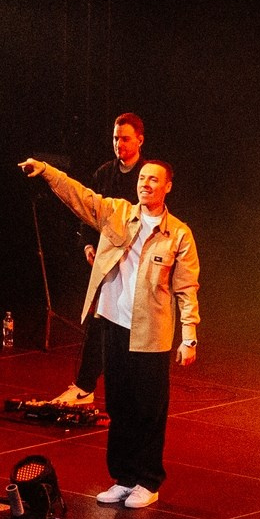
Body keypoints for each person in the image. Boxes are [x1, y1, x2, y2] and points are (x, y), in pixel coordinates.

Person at [20, 153, 200, 509]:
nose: (145, 184)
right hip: (113, 325)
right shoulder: (116, 212)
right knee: (118, 404)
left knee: (148, 409)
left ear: (167, 187)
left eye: (153, 180)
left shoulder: (178, 234)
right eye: (142, 178)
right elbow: (79, 196)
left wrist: (189, 336)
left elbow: (186, 288)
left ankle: (148, 481)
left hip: (151, 334)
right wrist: (47, 172)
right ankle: (124, 477)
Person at [47, 113, 150, 410]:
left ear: (140, 140)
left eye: (126, 138)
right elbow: (89, 211)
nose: (119, 144)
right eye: (116, 138)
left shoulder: (147, 174)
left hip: (136, 263)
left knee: (133, 326)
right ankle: (84, 386)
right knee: (99, 322)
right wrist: (88, 244)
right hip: (107, 262)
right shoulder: (104, 173)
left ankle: (133, 389)